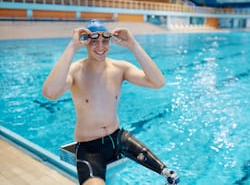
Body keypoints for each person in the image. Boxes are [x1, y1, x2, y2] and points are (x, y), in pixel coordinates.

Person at [42, 19, 180, 185]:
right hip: (90, 148)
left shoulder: (120, 68)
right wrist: (72, 47)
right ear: (86, 43)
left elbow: (158, 82)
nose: (101, 46)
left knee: (170, 175)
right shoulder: (75, 71)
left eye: (105, 41)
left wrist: (133, 45)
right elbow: (50, 93)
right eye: (94, 41)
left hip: (119, 139)